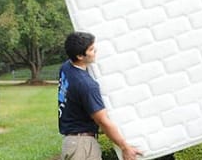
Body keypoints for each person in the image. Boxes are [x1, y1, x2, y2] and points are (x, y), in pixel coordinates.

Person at [58, 32, 142, 160]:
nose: (95, 50)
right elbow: (103, 121)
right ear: (80, 56)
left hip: (72, 142)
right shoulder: (86, 85)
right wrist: (125, 147)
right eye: (91, 49)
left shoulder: (66, 67)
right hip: (82, 145)